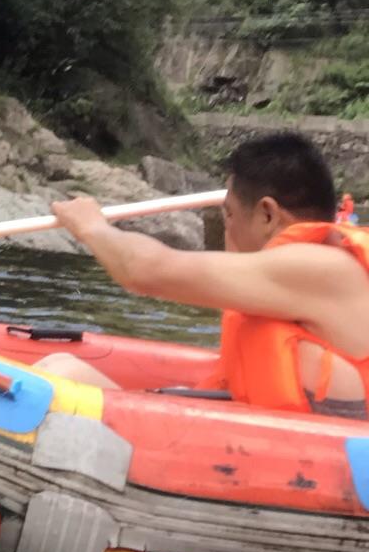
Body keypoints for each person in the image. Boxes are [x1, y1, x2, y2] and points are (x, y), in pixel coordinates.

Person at [39, 132, 369, 417]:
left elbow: (144, 271)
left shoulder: (318, 268)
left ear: (267, 214)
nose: (228, 227)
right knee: (62, 368)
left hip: (300, 463)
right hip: (275, 444)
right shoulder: (325, 261)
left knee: (61, 373)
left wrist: (91, 226)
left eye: (229, 215)